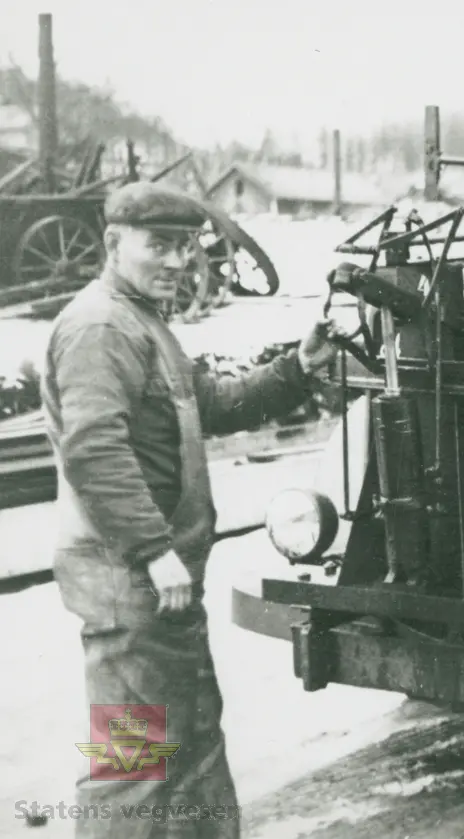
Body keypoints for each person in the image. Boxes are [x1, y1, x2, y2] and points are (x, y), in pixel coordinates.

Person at [39, 181, 345, 838]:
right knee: (135, 763)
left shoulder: (145, 322)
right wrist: (154, 550)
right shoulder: (98, 327)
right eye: (161, 245)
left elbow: (214, 402)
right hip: (130, 580)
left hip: (160, 583)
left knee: (193, 748)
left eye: (185, 246)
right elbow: (94, 449)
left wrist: (297, 366)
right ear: (114, 243)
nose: (177, 262)